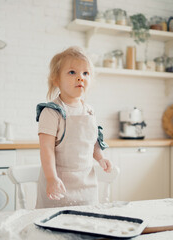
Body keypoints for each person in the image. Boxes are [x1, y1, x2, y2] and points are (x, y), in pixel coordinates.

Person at [35, 46, 112, 208]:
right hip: (59, 184)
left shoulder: (90, 111)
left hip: (87, 184)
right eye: (72, 72)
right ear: (56, 79)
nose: (80, 78)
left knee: (86, 223)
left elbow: (91, 143)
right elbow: (46, 149)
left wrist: (101, 157)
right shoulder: (51, 112)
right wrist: (51, 179)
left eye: (85, 73)